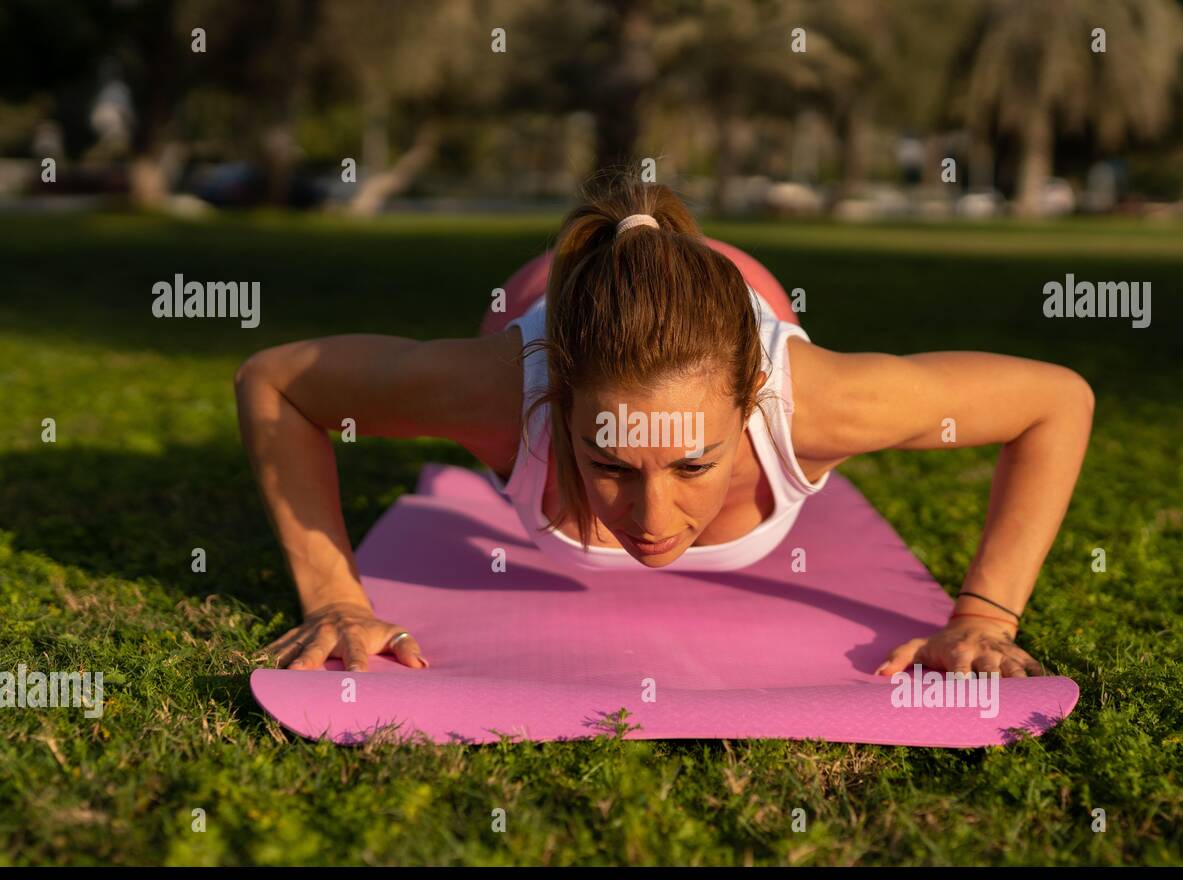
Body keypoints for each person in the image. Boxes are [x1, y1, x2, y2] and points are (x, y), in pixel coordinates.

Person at [236, 168, 1094, 679]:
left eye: (691, 464)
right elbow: (276, 383)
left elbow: (1056, 400)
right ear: (555, 405)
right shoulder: (499, 390)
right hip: (555, 290)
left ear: (755, 398)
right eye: (610, 464)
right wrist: (334, 599)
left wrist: (986, 617)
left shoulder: (823, 401)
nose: (652, 523)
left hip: (730, 293)